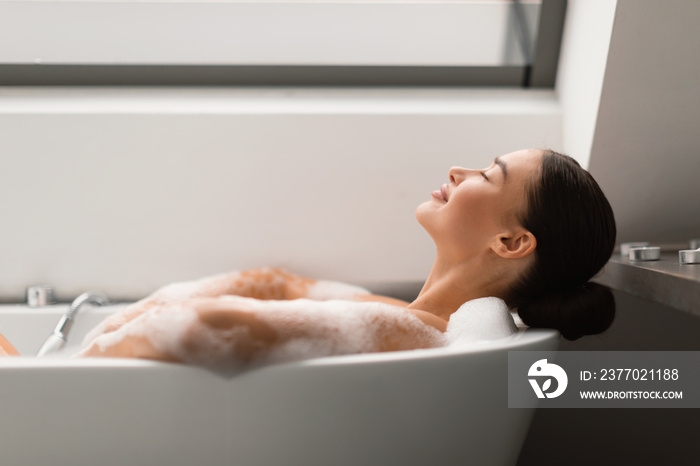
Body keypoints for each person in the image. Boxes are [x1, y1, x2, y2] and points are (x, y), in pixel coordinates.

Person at [0, 148, 616, 364]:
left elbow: (218, 329)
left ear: (510, 243)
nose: (461, 169)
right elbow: (276, 285)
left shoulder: (415, 334)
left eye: (490, 173)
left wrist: (75, 367)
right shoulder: (405, 319)